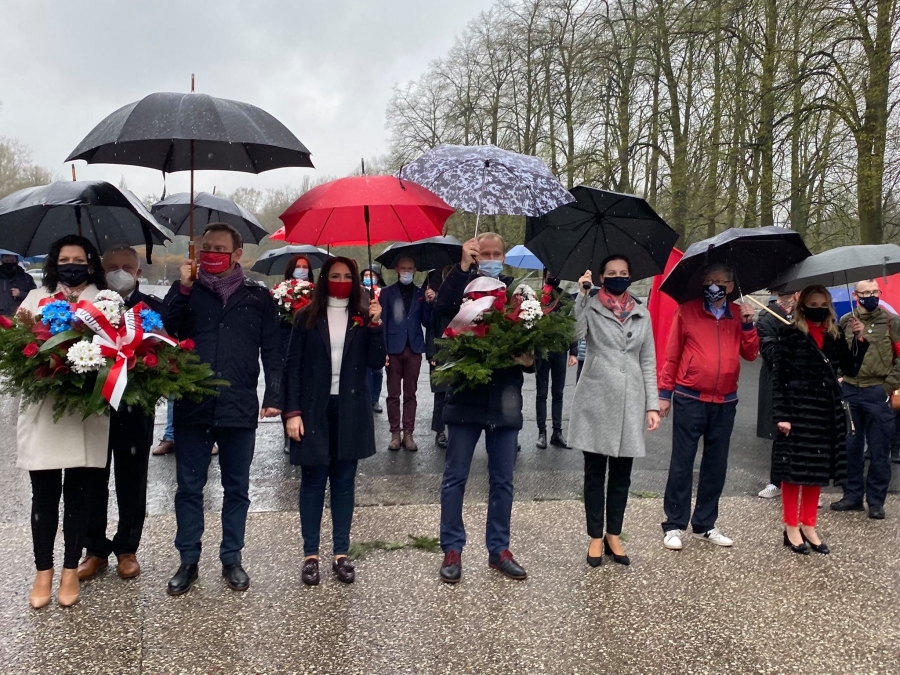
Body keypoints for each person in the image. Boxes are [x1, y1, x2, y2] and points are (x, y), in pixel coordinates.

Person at [160, 223, 283, 597]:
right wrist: (183, 288)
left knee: (237, 488)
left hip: (238, 405)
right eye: (207, 247)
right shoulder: (188, 291)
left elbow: (272, 350)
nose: (212, 254)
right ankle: (188, 559)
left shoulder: (257, 296)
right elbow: (165, 328)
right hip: (193, 404)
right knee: (189, 488)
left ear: (237, 254)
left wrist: (274, 394)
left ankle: (232, 557)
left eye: (219, 248)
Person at [435, 232, 533, 583]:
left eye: (496, 253)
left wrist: (528, 357)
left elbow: (532, 339)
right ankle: (452, 548)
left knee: (503, 480)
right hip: (466, 395)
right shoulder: (462, 285)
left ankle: (499, 549)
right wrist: (462, 269)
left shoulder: (516, 292)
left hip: (504, 398)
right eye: (484, 253)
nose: (490, 258)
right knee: (455, 477)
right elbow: (442, 310)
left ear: (504, 257)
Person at [17, 235, 109, 608]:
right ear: (55, 263)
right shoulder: (36, 299)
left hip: (85, 412)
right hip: (45, 410)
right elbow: (15, 352)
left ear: (91, 264)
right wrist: (23, 332)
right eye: (64, 259)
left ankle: (70, 569)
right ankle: (43, 570)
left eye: (79, 259)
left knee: (79, 495)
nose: (72, 265)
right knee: (43, 496)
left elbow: (115, 351)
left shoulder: (104, 301)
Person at [284, 257, 385, 586]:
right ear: (324, 278)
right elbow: (292, 367)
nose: (340, 281)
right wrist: (292, 412)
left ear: (354, 280)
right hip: (314, 408)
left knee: (343, 483)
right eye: (334, 275)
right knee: (313, 482)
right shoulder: (306, 317)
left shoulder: (363, 316)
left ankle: (341, 553)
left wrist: (376, 325)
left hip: (351, 408)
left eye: (346, 276)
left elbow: (375, 362)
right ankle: (310, 555)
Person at [658, 263, 759, 550]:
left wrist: (749, 325)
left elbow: (751, 354)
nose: (714, 286)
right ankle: (674, 524)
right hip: (690, 397)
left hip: (725, 401)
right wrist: (664, 394)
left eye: (720, 281)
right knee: (682, 462)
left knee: (716, 464)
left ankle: (705, 523)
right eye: (709, 280)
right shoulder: (687, 311)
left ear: (731, 286)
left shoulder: (738, 314)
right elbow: (672, 354)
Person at [77, 247, 161, 583]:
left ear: (138, 272)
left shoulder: (151, 308)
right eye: (112, 267)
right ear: (101, 271)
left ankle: (127, 548)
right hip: (96, 409)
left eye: (127, 266)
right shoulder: (87, 309)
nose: (120, 272)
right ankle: (94, 549)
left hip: (136, 409)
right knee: (92, 481)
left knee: (132, 481)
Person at [569, 257, 660, 567]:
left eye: (623, 273)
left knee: (622, 476)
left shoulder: (642, 313)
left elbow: (648, 359)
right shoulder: (591, 305)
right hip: (596, 398)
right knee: (595, 474)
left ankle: (614, 535)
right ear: (601, 277)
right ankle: (595, 536)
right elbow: (574, 335)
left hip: (631, 400)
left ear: (630, 277)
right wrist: (582, 296)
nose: (618, 277)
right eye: (611, 273)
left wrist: (652, 404)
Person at [771, 286, 867, 554]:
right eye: (813, 304)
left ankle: (809, 524)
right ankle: (791, 526)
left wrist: (859, 340)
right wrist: (782, 415)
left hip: (825, 410)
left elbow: (850, 368)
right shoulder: (789, 334)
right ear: (803, 306)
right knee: (794, 471)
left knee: (816, 470)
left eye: (823, 304)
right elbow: (778, 378)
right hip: (797, 409)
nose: (818, 309)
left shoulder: (834, 334)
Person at [831, 279, 900, 520]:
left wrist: (888, 386)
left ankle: (876, 501)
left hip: (877, 392)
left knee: (879, 450)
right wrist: (840, 376)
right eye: (866, 292)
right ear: (855, 295)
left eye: (875, 292)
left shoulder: (891, 321)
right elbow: (839, 353)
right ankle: (852, 496)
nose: (871, 296)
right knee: (851, 448)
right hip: (851, 391)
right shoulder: (845, 321)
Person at [380, 256, 431, 451]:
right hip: (393, 349)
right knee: (393, 393)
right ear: (396, 270)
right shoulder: (387, 293)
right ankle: (395, 433)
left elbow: (427, 321)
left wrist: (429, 303)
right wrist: (383, 350)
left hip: (414, 348)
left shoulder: (421, 293)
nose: (407, 272)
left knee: (411, 393)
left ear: (415, 270)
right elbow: (383, 322)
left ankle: (408, 433)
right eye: (403, 268)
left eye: (410, 269)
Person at [756, 290, 798, 499]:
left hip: (803, 381)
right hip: (778, 381)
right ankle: (776, 481)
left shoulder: (804, 313)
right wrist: (790, 338)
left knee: (804, 433)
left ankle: (803, 483)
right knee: (781, 432)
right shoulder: (767, 317)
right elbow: (770, 353)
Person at [534, 270, 578, 449]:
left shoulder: (566, 297)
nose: (553, 276)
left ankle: (557, 432)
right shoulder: (536, 297)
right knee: (541, 393)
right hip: (542, 350)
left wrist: (573, 351)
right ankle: (541, 432)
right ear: (545, 274)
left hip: (560, 349)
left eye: (556, 272)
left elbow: (571, 325)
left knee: (558, 393)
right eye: (550, 272)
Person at [279, 255, 316, 453]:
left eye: (305, 267)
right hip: (286, 342)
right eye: (298, 266)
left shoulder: (316, 291)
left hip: (310, 345)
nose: (302, 270)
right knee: (288, 387)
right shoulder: (280, 290)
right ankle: (288, 431)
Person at [425, 266, 452, 448]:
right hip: (440, 351)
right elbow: (430, 329)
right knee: (441, 394)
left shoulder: (465, 299)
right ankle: (440, 431)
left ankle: (456, 429)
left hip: (459, 351)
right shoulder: (437, 300)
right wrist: (431, 354)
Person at [362, 265, 386, 413]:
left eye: (371, 275)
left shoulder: (383, 293)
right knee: (367, 371)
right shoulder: (360, 293)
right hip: (364, 333)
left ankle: (375, 399)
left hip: (379, 333)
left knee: (378, 370)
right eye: (365, 275)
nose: (368, 278)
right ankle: (367, 398)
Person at [0, 252, 35, 317]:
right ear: (2, 261)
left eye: (11, 261)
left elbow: (34, 296)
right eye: (6, 261)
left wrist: (20, 294)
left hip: (20, 315)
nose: (9, 263)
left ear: (17, 261)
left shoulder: (27, 278)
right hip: (1, 315)